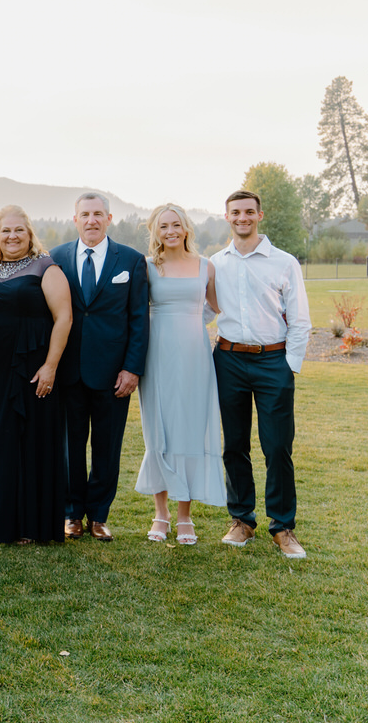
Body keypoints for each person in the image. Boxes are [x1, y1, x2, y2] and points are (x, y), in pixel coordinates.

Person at [210, 190, 312, 560]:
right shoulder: (215, 263)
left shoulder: (284, 263)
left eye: (249, 212)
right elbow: (204, 310)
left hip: (273, 361)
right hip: (229, 360)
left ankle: (283, 527)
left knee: (278, 446)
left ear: (259, 215)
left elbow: (300, 319)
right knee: (234, 445)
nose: (242, 218)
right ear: (227, 217)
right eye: (235, 212)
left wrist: (289, 366)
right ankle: (242, 521)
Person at [50, 192, 149, 542]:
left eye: (98, 214)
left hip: (113, 373)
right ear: (74, 219)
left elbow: (138, 318)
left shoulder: (132, 260)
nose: (91, 220)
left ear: (109, 219)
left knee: (107, 446)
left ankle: (100, 516)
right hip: (69, 370)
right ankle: (72, 514)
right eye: (85, 214)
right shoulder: (56, 257)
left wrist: (132, 368)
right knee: (70, 446)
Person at [0, 205, 72, 544]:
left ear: (30, 234)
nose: (12, 236)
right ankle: (1, 524)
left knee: (34, 440)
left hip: (34, 368)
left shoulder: (46, 266)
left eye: (19, 230)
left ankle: (34, 525)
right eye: (5, 231)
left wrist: (50, 366)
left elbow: (64, 318)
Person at [134, 204, 226, 546]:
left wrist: (191, 325)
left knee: (189, 428)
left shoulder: (206, 266)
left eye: (176, 224)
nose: (170, 231)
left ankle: (185, 515)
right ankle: (161, 514)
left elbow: (216, 309)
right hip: (156, 354)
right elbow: (136, 312)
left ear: (186, 228)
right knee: (158, 430)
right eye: (163, 226)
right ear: (155, 231)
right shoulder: (147, 267)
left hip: (194, 356)